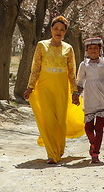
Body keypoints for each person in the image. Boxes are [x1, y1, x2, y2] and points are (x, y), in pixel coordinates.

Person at [23, 15, 85, 164]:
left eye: (62, 30)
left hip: (61, 87)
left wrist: (74, 92)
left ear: (65, 32)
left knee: (60, 122)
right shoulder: (41, 45)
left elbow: (71, 72)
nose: (58, 31)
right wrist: (30, 87)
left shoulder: (68, 49)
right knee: (49, 121)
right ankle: (52, 154)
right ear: (51, 29)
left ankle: (59, 150)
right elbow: (35, 68)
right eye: (56, 28)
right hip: (45, 86)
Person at [73, 37, 104, 163]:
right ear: (87, 50)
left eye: (95, 48)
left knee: (99, 128)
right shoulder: (84, 65)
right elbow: (80, 82)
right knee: (88, 128)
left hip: (103, 97)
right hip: (89, 98)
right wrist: (76, 95)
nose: (93, 50)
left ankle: (96, 153)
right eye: (90, 48)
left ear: (100, 49)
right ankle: (93, 143)